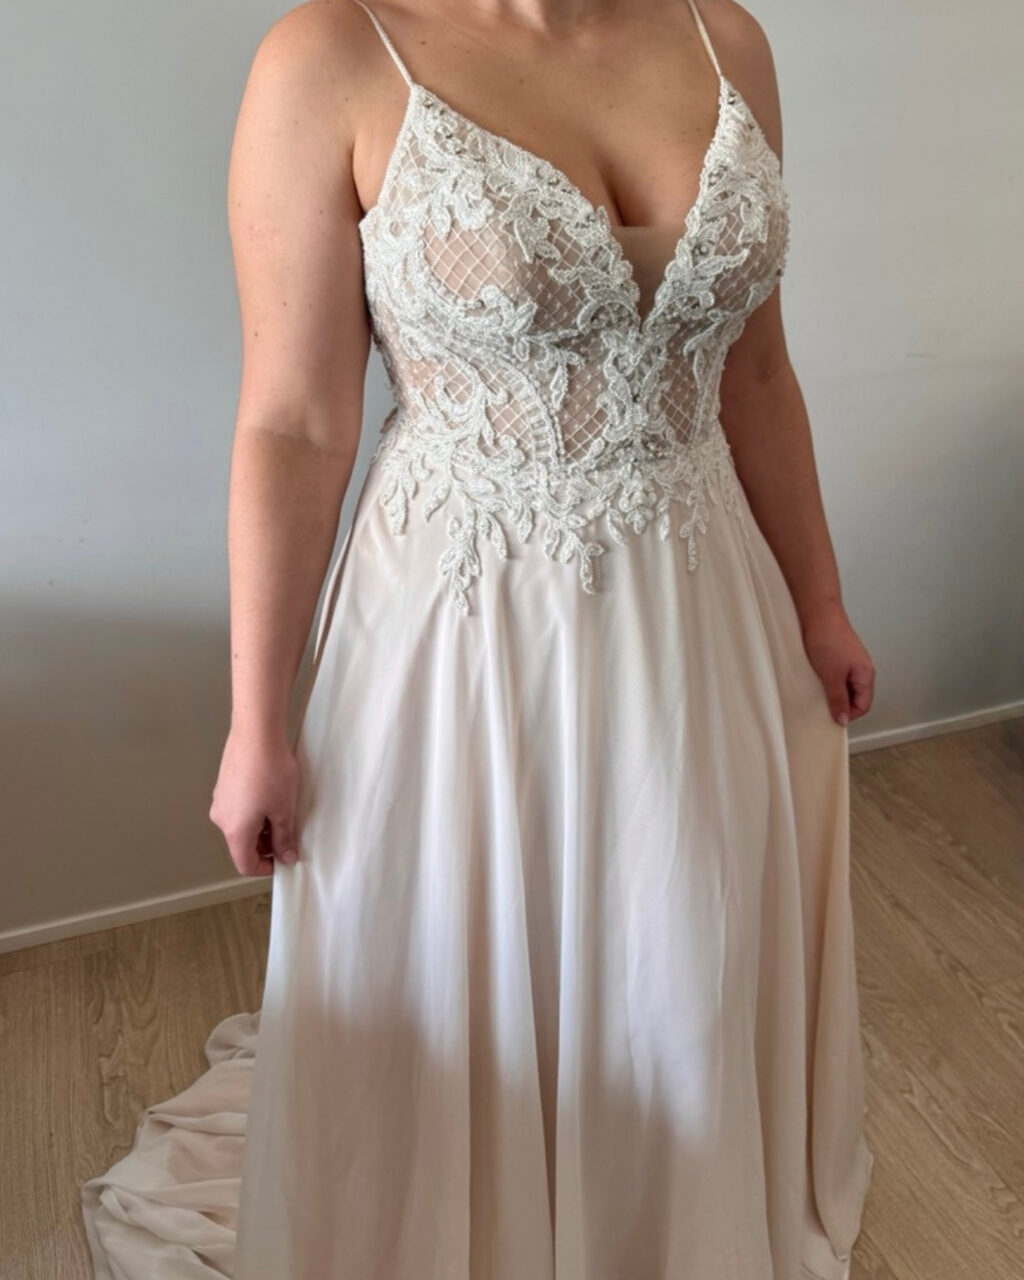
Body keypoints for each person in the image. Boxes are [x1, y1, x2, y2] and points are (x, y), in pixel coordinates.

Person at [82, 1, 876, 1276]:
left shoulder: (723, 38)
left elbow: (757, 374)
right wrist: (256, 723)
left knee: (683, 951)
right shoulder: (331, 58)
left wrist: (819, 601)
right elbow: (293, 425)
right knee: (468, 966)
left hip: (699, 602)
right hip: (461, 627)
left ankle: (664, 1226)